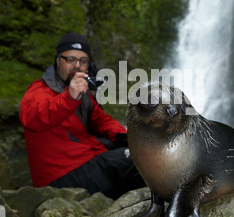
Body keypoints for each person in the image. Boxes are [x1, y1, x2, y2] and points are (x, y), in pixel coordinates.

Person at [19, 32, 145, 199]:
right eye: (70, 59)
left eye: (83, 61)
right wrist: (69, 98)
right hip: (61, 175)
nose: (77, 65)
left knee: (140, 152)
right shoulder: (39, 90)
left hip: (86, 160)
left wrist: (127, 136)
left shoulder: (83, 93)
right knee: (140, 162)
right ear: (58, 61)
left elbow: (101, 120)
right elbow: (32, 118)